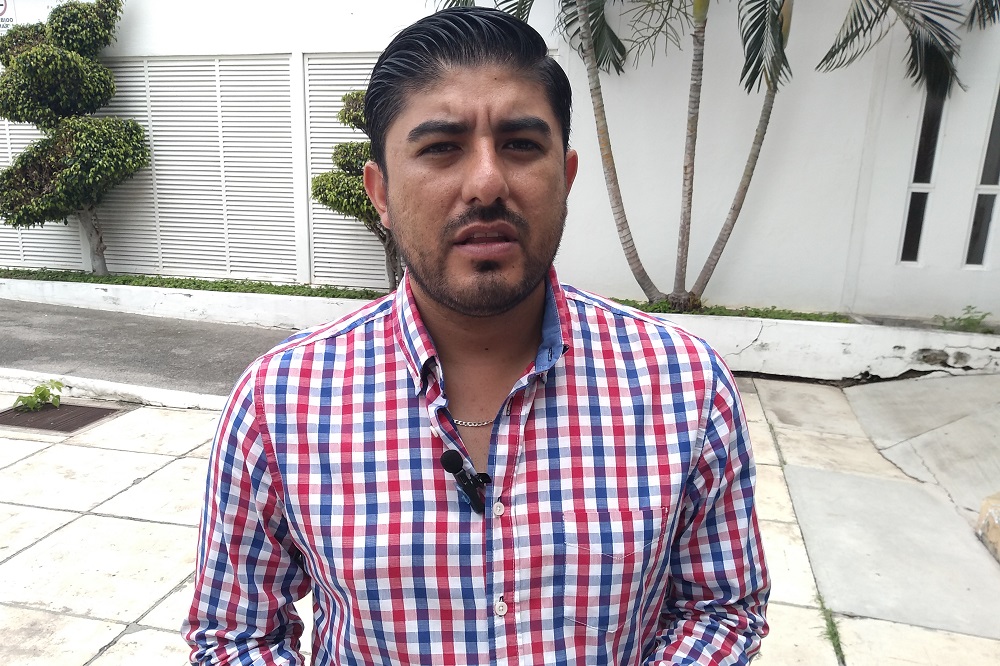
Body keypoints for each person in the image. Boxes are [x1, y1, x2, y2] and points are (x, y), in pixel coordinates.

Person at [184, 7, 769, 665]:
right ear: (379, 191)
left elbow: (720, 609)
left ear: (566, 177)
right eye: (441, 148)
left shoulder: (683, 385)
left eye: (520, 144)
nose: (487, 183)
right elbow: (235, 635)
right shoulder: (279, 402)